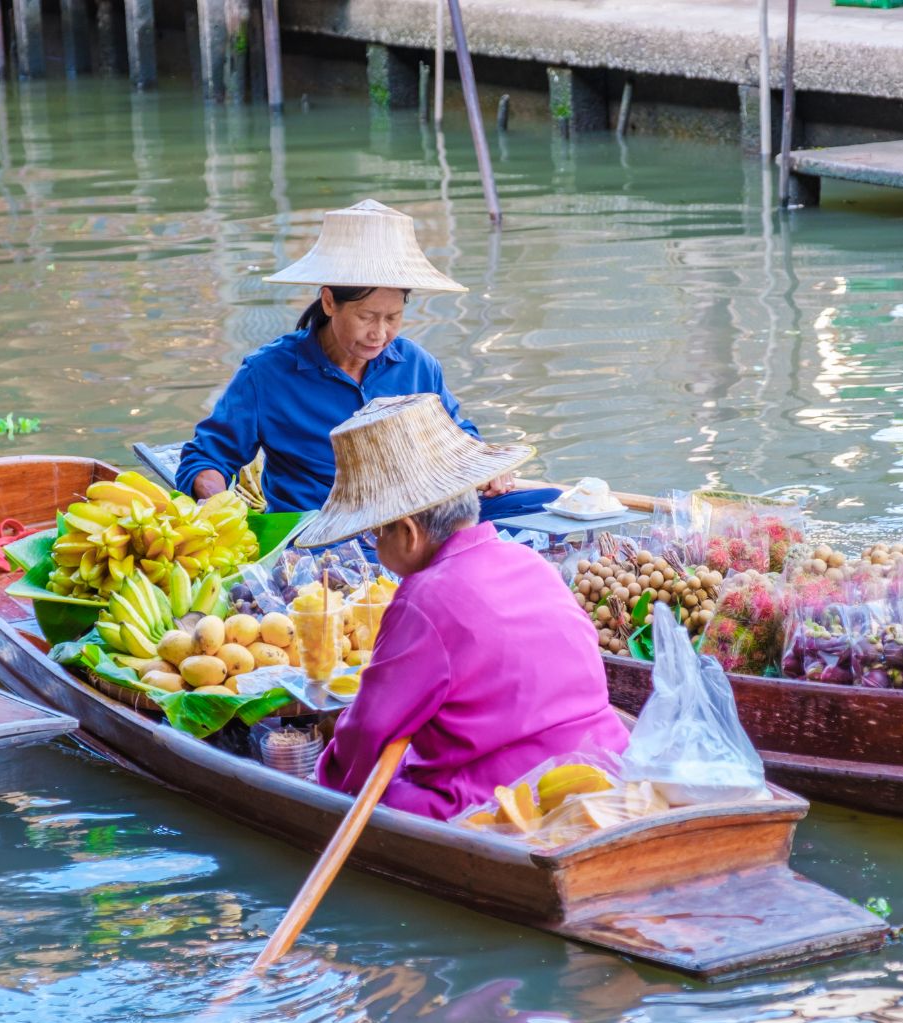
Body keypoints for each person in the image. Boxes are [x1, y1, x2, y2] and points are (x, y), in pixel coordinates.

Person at [307, 395, 629, 820]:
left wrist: (323, 776)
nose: (374, 545)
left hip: (516, 794)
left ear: (408, 533)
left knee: (390, 793)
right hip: (609, 760)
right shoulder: (529, 560)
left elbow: (369, 729)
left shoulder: (422, 598)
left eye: (373, 536)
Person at [174, 199, 559, 524]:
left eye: (393, 317)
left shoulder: (417, 366)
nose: (380, 333)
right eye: (366, 316)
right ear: (329, 302)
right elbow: (206, 457)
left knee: (547, 504)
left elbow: (458, 438)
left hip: (415, 525)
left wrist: (489, 467)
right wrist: (216, 506)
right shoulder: (267, 373)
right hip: (319, 532)